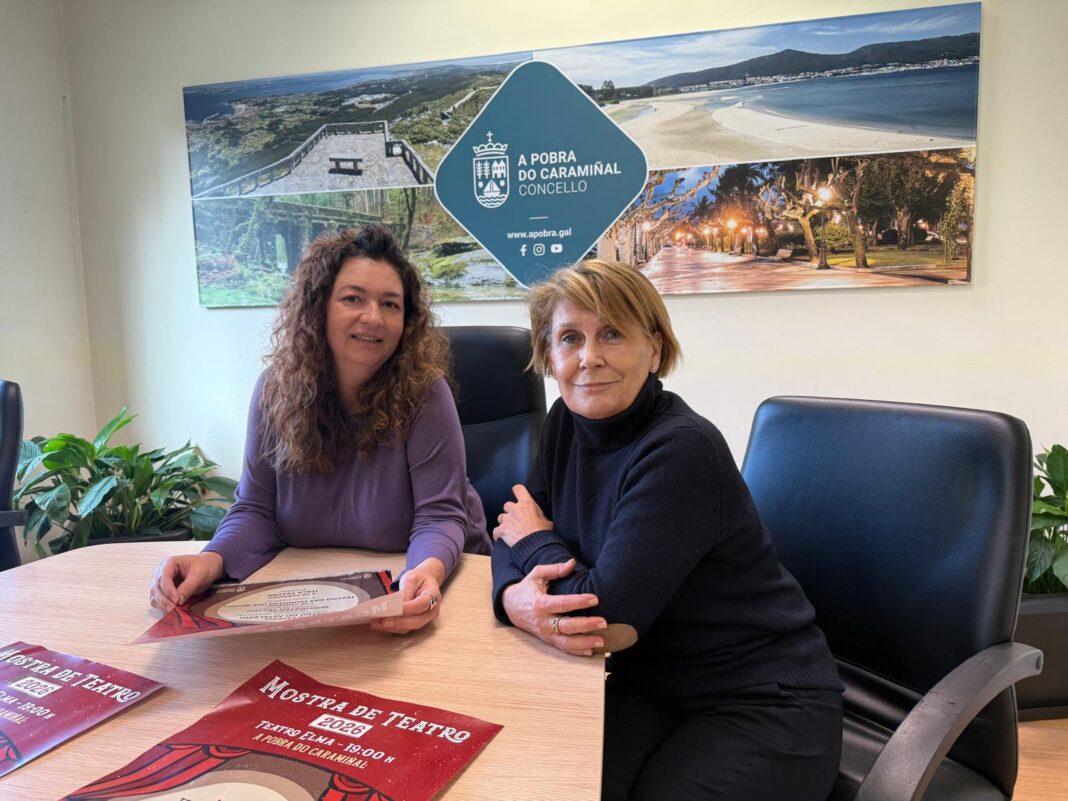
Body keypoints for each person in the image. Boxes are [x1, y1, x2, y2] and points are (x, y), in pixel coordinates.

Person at [491, 260, 843, 800]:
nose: (590, 357)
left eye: (613, 333)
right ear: (549, 355)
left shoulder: (681, 449)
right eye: (570, 338)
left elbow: (606, 618)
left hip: (764, 700)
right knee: (541, 779)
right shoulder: (565, 421)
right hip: (651, 683)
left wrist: (535, 543)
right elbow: (507, 532)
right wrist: (512, 599)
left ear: (653, 350)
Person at [150, 224, 489, 633]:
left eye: (390, 304)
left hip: (437, 581)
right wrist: (212, 559)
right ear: (319, 307)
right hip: (315, 591)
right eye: (353, 298)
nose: (373, 317)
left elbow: (440, 517)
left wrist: (426, 574)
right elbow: (256, 510)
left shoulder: (425, 392)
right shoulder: (275, 391)